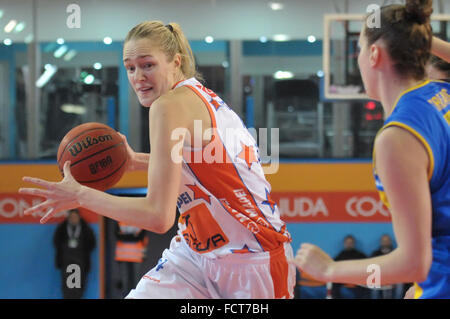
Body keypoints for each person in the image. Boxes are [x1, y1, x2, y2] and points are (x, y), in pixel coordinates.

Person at [19, 20, 295, 299]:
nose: (138, 76)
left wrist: (80, 195)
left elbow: (157, 216)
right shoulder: (200, 96)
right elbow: (205, 163)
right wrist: (134, 161)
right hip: (195, 255)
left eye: (147, 65)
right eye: (130, 67)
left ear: (176, 62)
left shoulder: (168, 105)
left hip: (251, 261)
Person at [292, 0, 450, 299]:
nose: (359, 59)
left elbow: (414, 264)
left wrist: (330, 270)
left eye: (360, 50)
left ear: (374, 54)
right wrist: (418, 38)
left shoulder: (398, 137)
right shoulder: (442, 92)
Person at [53, 209, 96, 299]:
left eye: (75, 217)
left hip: (80, 263)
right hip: (67, 263)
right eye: (71, 217)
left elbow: (92, 244)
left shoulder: (85, 229)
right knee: (68, 286)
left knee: (78, 286)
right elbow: (56, 242)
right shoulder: (62, 229)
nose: (73, 219)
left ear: (79, 217)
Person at [114, 222, 148, 298]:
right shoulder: (120, 221)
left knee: (136, 283)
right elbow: (117, 235)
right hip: (123, 256)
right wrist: (133, 236)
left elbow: (141, 237)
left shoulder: (141, 220)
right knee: (124, 283)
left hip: (135, 256)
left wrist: (125, 236)